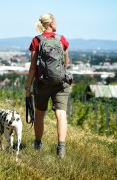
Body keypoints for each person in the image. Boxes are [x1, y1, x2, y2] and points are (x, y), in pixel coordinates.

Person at [25, 13, 71, 158]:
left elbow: (33, 67)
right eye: (55, 20)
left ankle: (38, 143)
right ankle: (61, 148)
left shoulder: (36, 40)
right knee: (61, 113)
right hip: (61, 82)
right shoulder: (61, 39)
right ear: (50, 23)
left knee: (39, 113)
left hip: (42, 82)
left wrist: (28, 87)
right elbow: (66, 62)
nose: (57, 23)